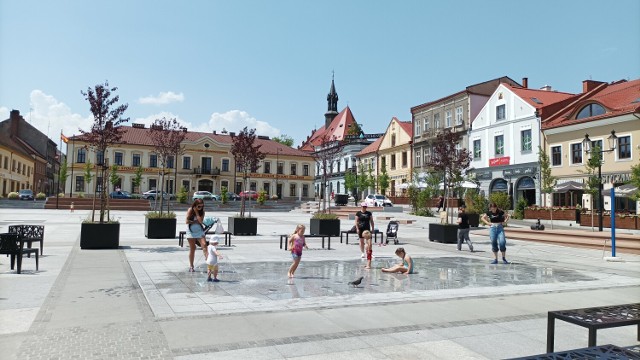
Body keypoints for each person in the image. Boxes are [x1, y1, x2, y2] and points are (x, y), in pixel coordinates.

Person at [186, 198, 207, 272]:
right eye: (199, 206)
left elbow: (200, 221)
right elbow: (187, 221)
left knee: (204, 245)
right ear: (195, 205)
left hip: (199, 231)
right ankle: (191, 266)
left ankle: (209, 264)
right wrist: (195, 221)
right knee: (193, 248)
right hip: (191, 231)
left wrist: (197, 212)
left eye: (202, 206)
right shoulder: (190, 210)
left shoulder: (202, 212)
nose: (200, 208)